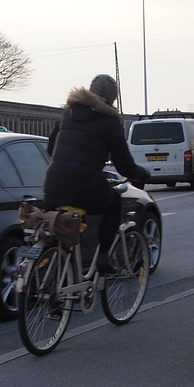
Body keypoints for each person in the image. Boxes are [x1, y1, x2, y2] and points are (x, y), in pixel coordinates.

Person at [43, 74, 150, 274]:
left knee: (65, 225)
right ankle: (103, 257)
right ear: (112, 100)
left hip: (53, 185)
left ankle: (64, 271)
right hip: (85, 187)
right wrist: (142, 173)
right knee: (114, 203)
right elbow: (124, 166)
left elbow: (51, 149)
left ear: (90, 92)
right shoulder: (110, 121)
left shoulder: (68, 114)